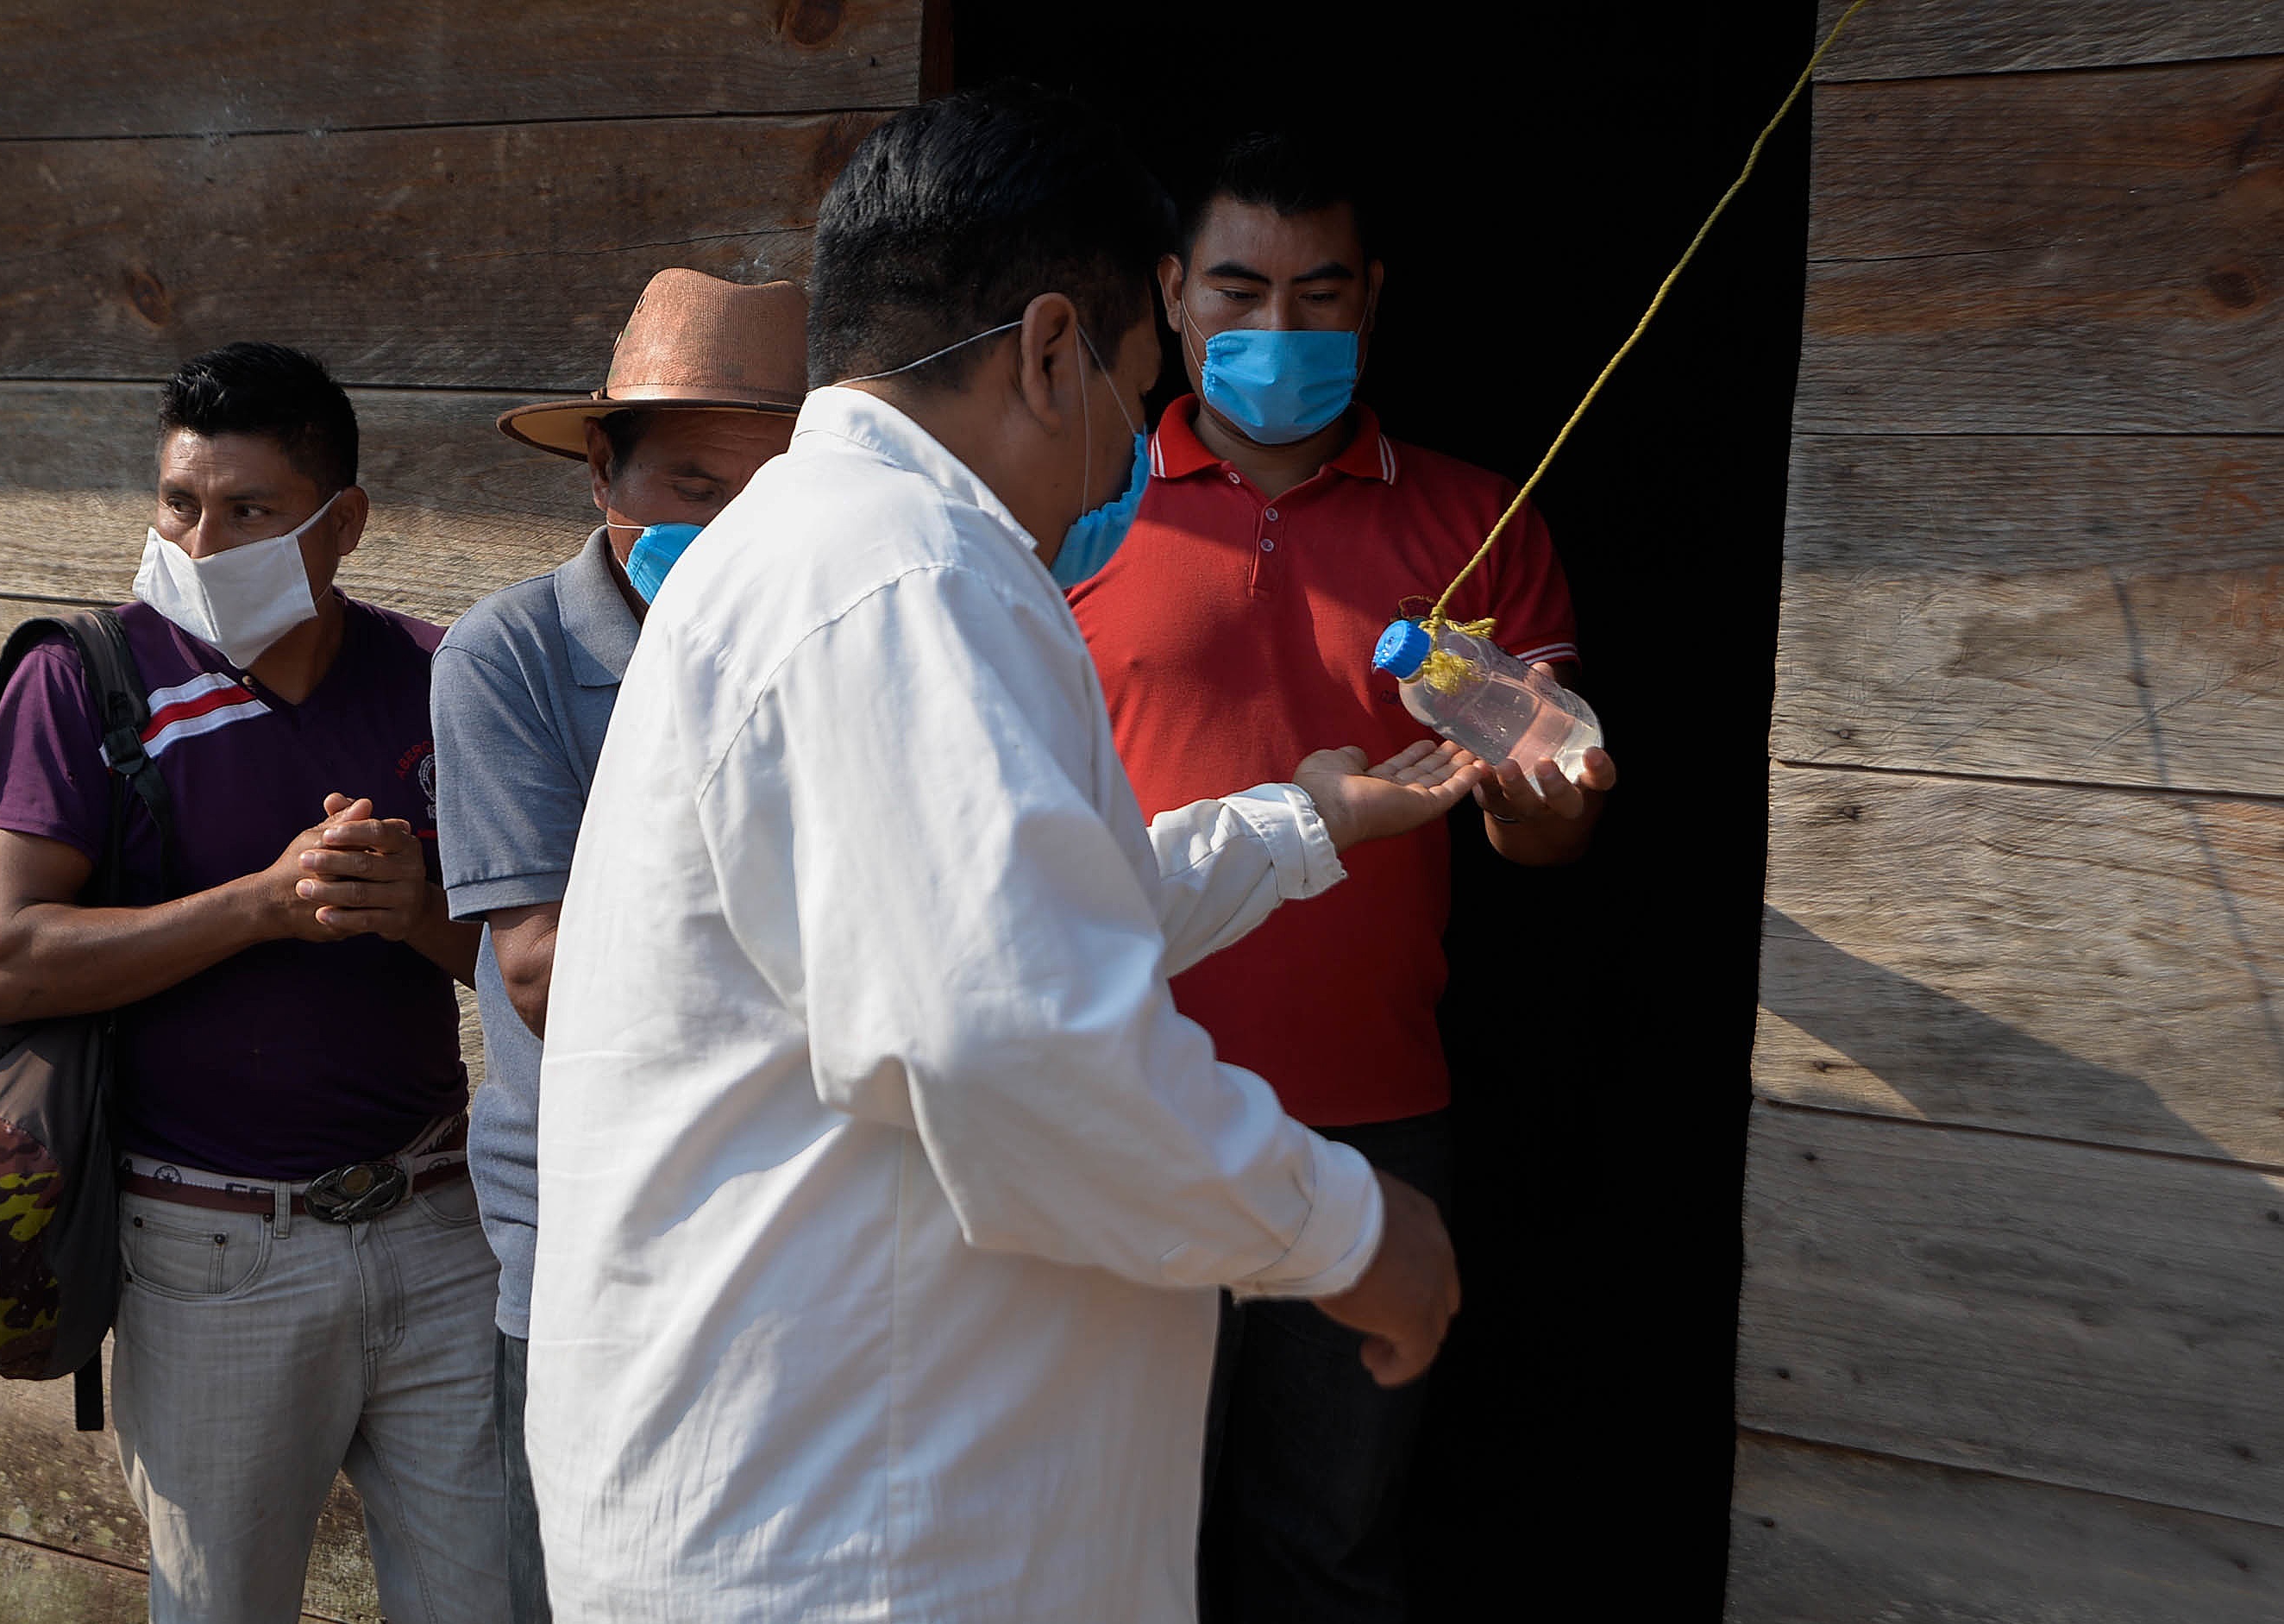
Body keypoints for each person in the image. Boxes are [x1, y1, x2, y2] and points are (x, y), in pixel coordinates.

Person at [524, 87, 1480, 1622]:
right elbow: (1008, 1031)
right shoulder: (904, 574)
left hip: (855, 1507)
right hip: (867, 1538)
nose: (1126, 458)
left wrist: (1304, 824)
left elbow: (1006, 922)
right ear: (1050, 351)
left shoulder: (830, 553)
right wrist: (1354, 1232)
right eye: (1135, 381)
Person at [1065, 129, 1622, 1622]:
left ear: (1372, 297)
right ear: (1169, 293)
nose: (1281, 331)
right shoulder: (1072, 506)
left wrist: (1544, 791)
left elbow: (1543, 829)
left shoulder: (1474, 521)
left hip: (1370, 1116)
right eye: (1240, 289)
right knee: (1108, 1542)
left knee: (1328, 1540)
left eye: (1321, 293)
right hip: (1121, 1092)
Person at [0, 342, 506, 1624]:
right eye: (178, 503)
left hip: (436, 1227)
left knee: (491, 1598)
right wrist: (259, 905)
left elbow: (531, 962)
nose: (202, 542)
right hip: (207, 1252)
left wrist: (413, 911)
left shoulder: (437, 677)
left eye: (249, 510)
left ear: (342, 522)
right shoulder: (86, 680)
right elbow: (6, 959)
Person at [430, 268, 808, 1624]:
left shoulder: (828, 642)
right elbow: (541, 978)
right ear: (603, 472)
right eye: (693, 492)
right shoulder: (507, 658)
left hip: (788, 1232)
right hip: (589, 1245)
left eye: (770, 502)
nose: (729, 534)